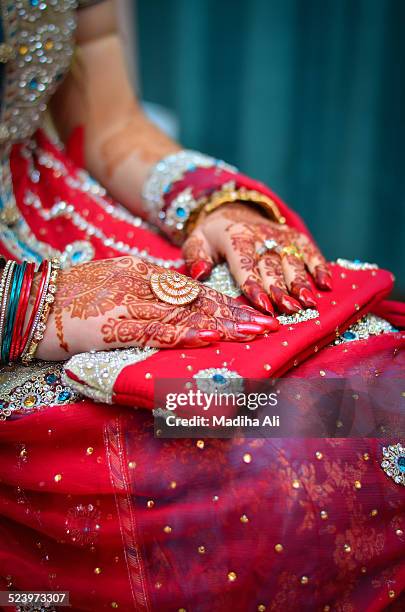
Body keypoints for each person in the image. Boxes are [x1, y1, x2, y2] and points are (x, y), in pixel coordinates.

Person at [0, 1, 404, 610]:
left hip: (63, 211)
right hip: (27, 305)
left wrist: (210, 202)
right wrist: (33, 306)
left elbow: (110, 123)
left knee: (378, 400)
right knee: (263, 471)